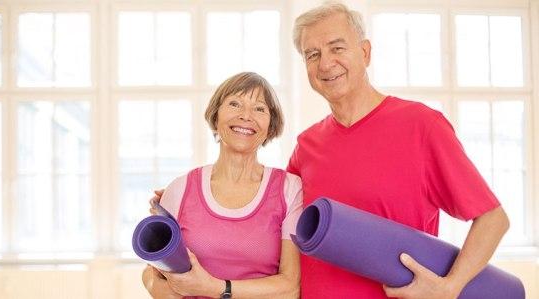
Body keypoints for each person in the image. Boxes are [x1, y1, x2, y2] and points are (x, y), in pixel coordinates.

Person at [287, 2, 510, 298]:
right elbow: (282, 229)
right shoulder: (306, 145)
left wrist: (450, 287)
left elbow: (493, 219)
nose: (325, 63)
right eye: (312, 54)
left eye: (337, 48)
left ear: (365, 53)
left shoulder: (422, 126)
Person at [141, 72, 302, 299]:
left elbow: (290, 289)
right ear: (216, 116)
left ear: (271, 124)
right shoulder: (180, 190)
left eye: (259, 108)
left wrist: (215, 288)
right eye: (235, 103)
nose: (246, 116)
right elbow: (154, 273)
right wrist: (164, 291)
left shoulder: (289, 189)